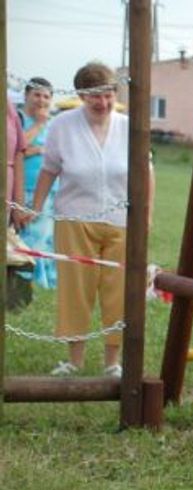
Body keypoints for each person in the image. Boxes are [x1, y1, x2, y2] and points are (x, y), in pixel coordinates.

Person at [22, 62, 152, 378]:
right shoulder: (62, 126)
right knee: (75, 290)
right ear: (81, 95)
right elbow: (49, 170)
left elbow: (147, 172)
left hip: (122, 221)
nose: (103, 103)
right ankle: (75, 360)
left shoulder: (129, 126)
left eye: (108, 96)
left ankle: (112, 362)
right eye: (95, 97)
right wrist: (35, 206)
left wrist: (145, 218)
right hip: (74, 219)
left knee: (118, 291)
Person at [19, 77, 56, 289]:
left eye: (46, 96)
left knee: (46, 237)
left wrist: (32, 150)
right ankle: (27, 278)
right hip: (25, 187)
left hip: (51, 188)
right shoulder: (19, 119)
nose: (41, 100)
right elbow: (17, 148)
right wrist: (40, 126)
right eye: (37, 95)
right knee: (29, 234)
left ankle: (45, 279)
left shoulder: (53, 124)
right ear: (26, 96)